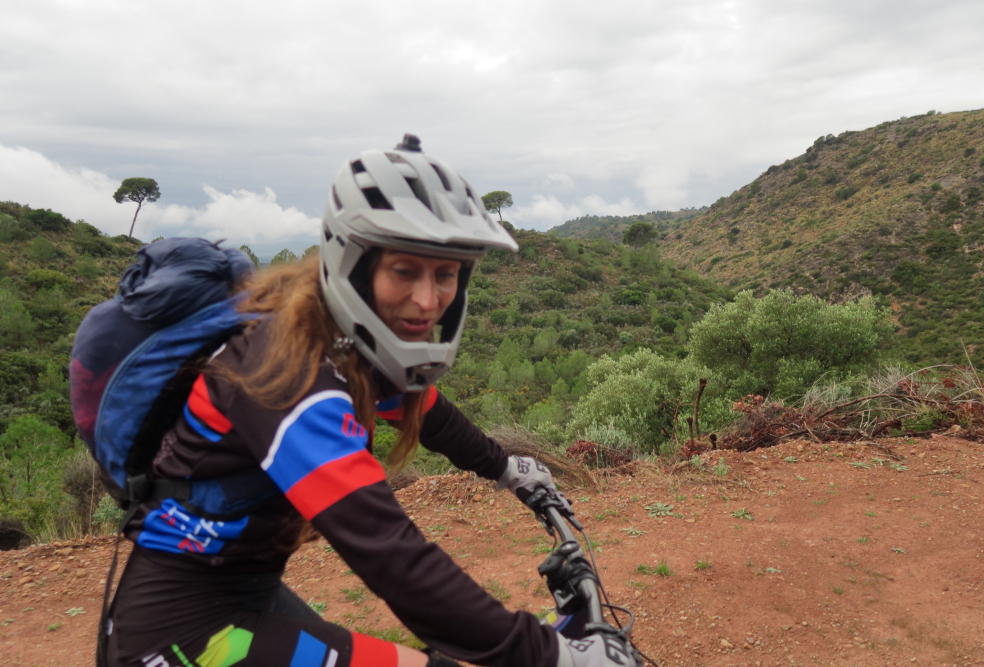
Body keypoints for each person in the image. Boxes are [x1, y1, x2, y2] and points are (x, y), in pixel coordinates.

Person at [105, 136, 636, 667]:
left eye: (446, 274)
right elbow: (388, 553)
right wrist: (548, 655)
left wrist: (508, 469)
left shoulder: (345, 341)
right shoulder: (287, 375)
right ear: (354, 265)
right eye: (404, 271)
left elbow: (427, 414)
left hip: (246, 594)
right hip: (181, 635)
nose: (428, 300)